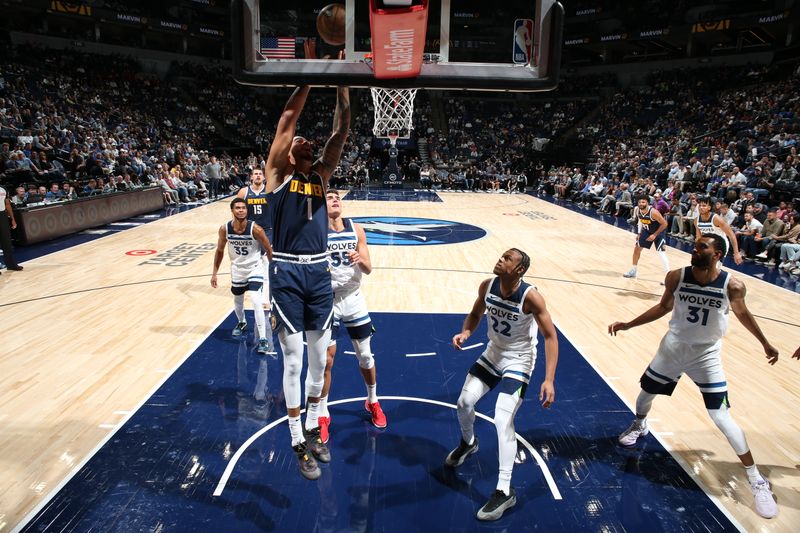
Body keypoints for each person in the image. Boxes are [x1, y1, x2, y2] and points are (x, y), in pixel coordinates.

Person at [608, 234, 780, 520]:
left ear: (717, 255)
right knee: (645, 394)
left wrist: (765, 342)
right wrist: (629, 324)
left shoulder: (733, 284)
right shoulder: (676, 276)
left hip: (706, 355)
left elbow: (743, 314)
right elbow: (664, 307)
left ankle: (756, 479)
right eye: (696, 244)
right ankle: (640, 424)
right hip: (673, 347)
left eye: (702, 246)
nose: (694, 248)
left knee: (721, 417)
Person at [265, 74, 350, 479]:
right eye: (300, 142)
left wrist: (343, 84)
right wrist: (312, 78)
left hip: (319, 272)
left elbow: (341, 129)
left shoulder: (320, 177)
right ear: (287, 153)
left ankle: (315, 426)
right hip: (285, 271)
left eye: (308, 143)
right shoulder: (277, 177)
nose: (305, 142)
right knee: (294, 358)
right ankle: (297, 438)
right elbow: (287, 119)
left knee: (320, 360)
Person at [448, 249, 558, 521]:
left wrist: (549, 379)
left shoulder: (531, 296)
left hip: (519, 361)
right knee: (463, 403)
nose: (501, 259)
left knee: (502, 418)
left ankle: (504, 490)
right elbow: (474, 314)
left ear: (519, 270)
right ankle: (468, 443)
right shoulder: (487, 286)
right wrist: (466, 331)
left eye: (508, 259)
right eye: (502, 256)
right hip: (493, 354)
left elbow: (551, 337)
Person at [314, 189, 386, 444]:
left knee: (365, 355)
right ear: (322, 206)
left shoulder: (357, 229)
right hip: (326, 300)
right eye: (329, 198)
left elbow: (368, 269)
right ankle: (322, 413)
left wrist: (359, 259)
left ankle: (373, 401)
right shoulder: (315, 229)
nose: (335, 200)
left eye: (337, 197)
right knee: (327, 360)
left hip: (353, 298)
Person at [210, 198, 273, 355]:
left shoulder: (256, 229)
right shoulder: (224, 229)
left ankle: (263, 339)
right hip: (237, 269)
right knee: (237, 299)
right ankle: (242, 322)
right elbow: (219, 251)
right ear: (232, 210)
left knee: (256, 300)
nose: (240, 210)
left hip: (254, 268)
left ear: (247, 211)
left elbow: (268, 249)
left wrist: (274, 270)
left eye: (243, 208)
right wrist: (214, 273)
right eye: (237, 208)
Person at [236, 166, 274, 342]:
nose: (258, 176)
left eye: (260, 174)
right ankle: (248, 289)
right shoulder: (244, 191)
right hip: (250, 231)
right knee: (251, 262)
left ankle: (266, 297)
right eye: (255, 174)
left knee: (267, 264)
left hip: (268, 230)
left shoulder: (269, 190)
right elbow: (237, 210)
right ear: (251, 177)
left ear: (264, 178)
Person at [623, 195, 670, 280]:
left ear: (647, 203)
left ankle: (668, 276)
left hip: (659, 233)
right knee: (637, 249)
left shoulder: (653, 212)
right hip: (647, 231)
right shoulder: (637, 209)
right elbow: (640, 220)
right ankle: (633, 270)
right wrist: (639, 233)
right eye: (640, 202)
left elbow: (665, 224)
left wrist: (654, 235)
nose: (641, 203)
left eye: (643, 202)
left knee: (661, 253)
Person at [694, 196, 743, 264]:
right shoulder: (696, 220)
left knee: (713, 269)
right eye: (700, 205)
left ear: (709, 207)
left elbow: (731, 235)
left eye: (704, 205)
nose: (701, 207)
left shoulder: (716, 219)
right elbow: (699, 238)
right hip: (708, 245)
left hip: (721, 246)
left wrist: (736, 253)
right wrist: (697, 248)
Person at [0, 185, 23, 273]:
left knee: (6, 241)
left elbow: (7, 204)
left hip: (2, 215)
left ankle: (11, 265)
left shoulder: (3, 188)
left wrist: (12, 219)